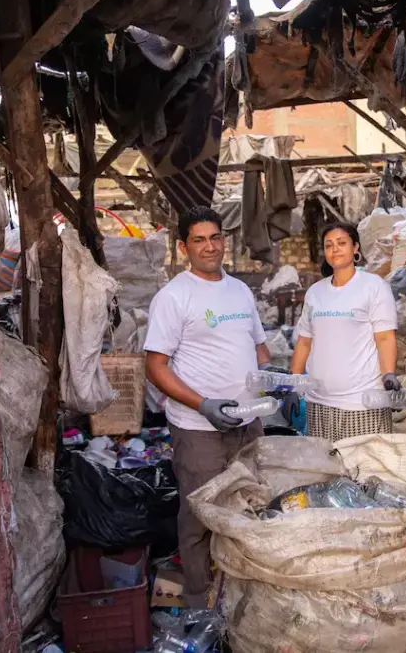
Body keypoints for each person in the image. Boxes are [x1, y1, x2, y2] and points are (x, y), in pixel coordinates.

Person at [144, 206, 274, 607]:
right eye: (198, 240)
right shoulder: (174, 297)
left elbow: (259, 348)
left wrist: (272, 377)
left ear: (224, 241)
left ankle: (243, 596)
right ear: (184, 247)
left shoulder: (240, 291)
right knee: (201, 513)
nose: (209, 247)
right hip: (199, 429)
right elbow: (155, 366)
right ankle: (202, 604)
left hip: (248, 424)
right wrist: (203, 405)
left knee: (250, 505)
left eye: (215, 237)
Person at [287, 222, 400, 441]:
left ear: (355, 247)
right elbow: (304, 342)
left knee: (365, 462)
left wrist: (388, 374)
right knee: (325, 462)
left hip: (363, 403)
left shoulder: (373, 286)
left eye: (341, 243)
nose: (335, 249)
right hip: (319, 403)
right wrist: (293, 385)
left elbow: (385, 337)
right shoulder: (315, 292)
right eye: (329, 245)